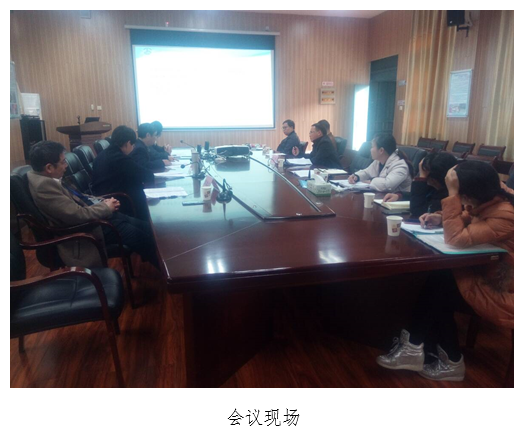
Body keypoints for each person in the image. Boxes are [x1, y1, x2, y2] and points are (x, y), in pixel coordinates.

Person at [376, 161, 514, 381]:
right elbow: (470, 215)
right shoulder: (490, 197)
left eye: (460, 194)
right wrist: (440, 217)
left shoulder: (506, 214)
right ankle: (425, 350)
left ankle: (437, 355)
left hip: (502, 289)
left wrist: (452, 195)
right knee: (440, 280)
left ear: (468, 193)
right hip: (482, 272)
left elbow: (456, 238)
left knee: (441, 287)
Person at [27, 140, 159, 268]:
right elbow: (76, 215)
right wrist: (105, 208)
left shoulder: (48, 178)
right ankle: (168, 275)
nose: (66, 165)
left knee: (150, 228)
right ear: (49, 168)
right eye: (63, 162)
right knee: (140, 237)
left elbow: (80, 197)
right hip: (88, 230)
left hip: (97, 219)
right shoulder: (44, 186)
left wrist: (102, 202)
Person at [92, 125, 155, 221]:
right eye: (132, 145)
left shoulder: (104, 154)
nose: (133, 148)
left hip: (104, 198)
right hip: (117, 201)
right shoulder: (119, 158)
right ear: (128, 143)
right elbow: (147, 175)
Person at [383, 152, 458, 217]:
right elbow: (422, 196)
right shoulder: (435, 188)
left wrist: (422, 178)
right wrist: (399, 196)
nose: (424, 174)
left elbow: (417, 211)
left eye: (425, 172)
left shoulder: (448, 195)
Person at [348, 134, 413, 193]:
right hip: (383, 197)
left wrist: (371, 181)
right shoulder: (378, 161)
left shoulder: (400, 166)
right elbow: (367, 172)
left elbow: (387, 185)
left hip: (398, 201)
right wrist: (357, 176)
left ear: (381, 150)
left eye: (372, 147)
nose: (370, 150)